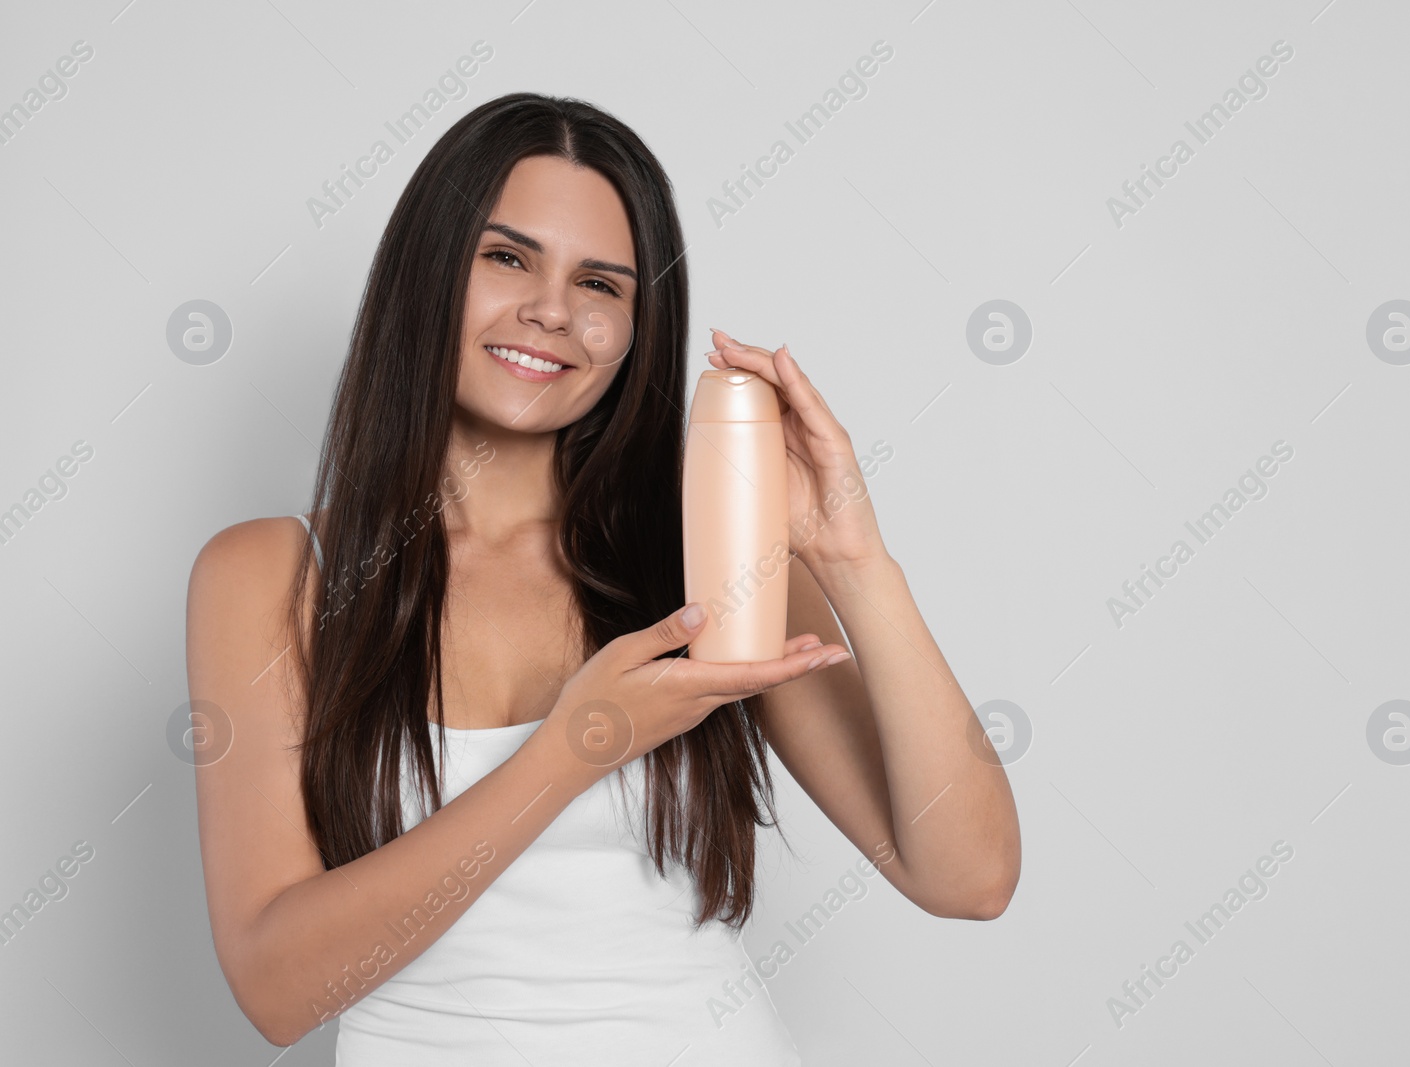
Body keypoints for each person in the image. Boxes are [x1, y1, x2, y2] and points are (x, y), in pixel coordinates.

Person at [184, 92, 1020, 1065]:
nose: (551, 310)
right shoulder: (271, 576)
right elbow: (277, 987)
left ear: (636, 327)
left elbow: (969, 876)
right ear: (426, 272)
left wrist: (853, 559)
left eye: (601, 284)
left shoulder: (706, 557)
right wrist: (579, 743)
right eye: (506, 256)